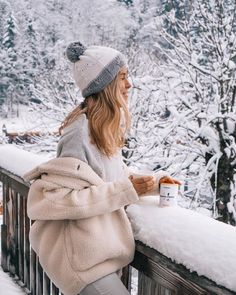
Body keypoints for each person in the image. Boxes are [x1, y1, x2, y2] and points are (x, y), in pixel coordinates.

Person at [23, 41, 180, 295]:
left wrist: (151, 183)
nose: (129, 84)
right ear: (104, 85)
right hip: (82, 262)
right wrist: (125, 190)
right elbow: (58, 199)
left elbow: (106, 178)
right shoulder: (79, 134)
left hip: (98, 254)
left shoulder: (102, 128)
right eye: (122, 77)